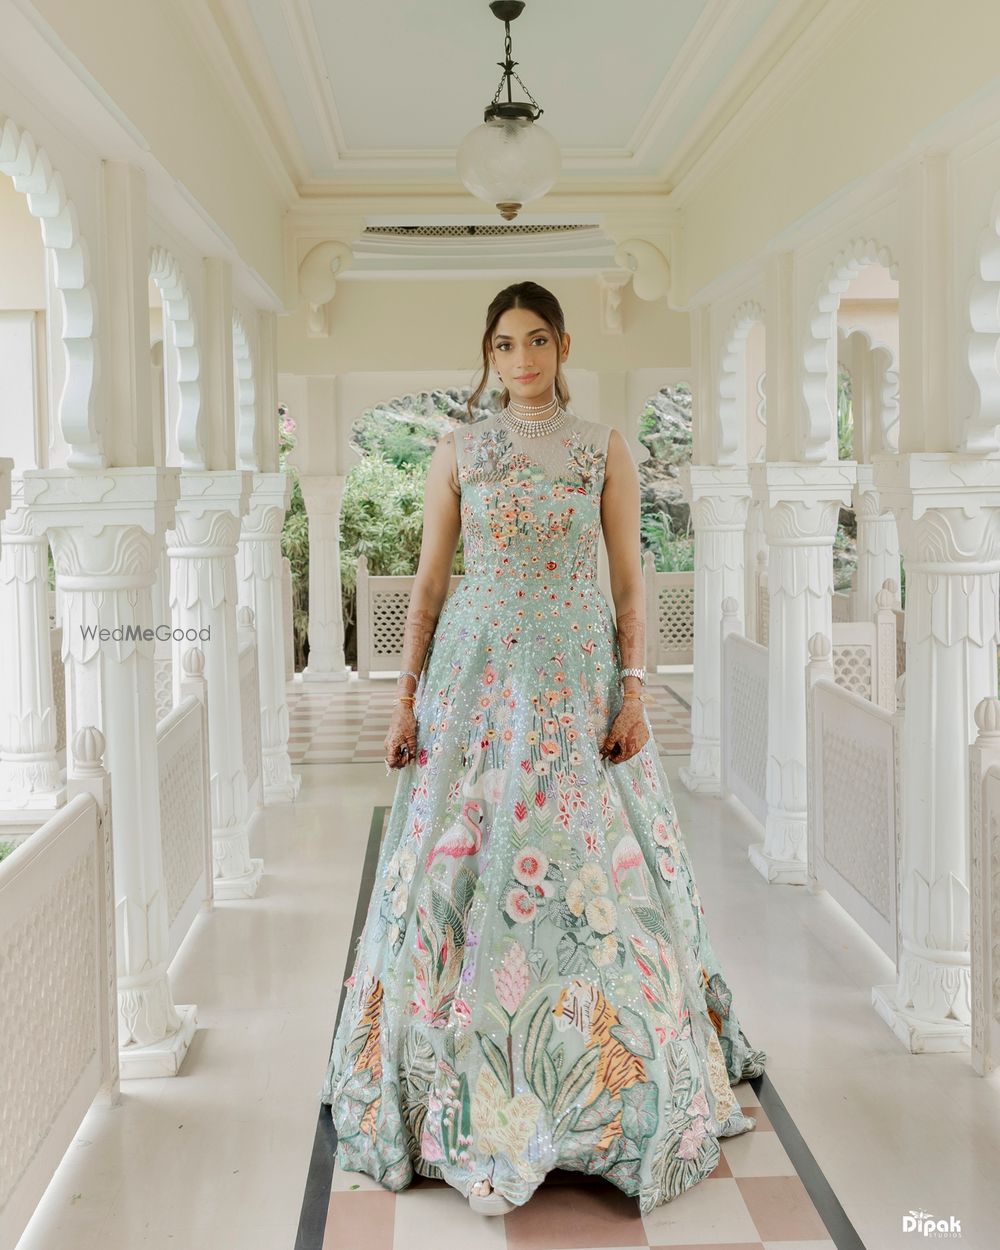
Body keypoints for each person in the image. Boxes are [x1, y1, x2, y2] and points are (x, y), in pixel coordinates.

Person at [319, 281, 766, 1216]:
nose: (519, 361)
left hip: (573, 676)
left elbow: (631, 586)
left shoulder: (603, 449)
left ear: (563, 347)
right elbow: (432, 587)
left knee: (589, 875)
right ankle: (462, 1070)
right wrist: (405, 702)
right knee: (460, 866)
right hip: (475, 682)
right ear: (487, 356)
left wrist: (635, 691)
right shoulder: (458, 451)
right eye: (502, 346)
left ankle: (597, 1083)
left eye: (535, 342)